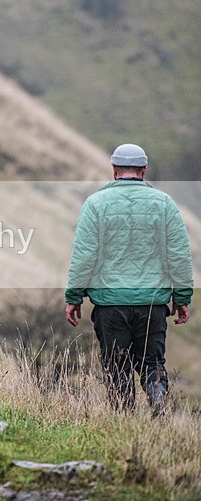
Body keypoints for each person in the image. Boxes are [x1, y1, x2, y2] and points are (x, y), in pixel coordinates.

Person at [65, 143, 193, 417]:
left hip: (110, 305)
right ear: (144, 170)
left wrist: (73, 297)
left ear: (113, 170)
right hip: (152, 305)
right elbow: (179, 254)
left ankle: (123, 420)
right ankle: (157, 395)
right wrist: (181, 299)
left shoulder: (95, 204)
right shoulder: (165, 204)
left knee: (116, 365)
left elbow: (84, 255)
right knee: (151, 362)